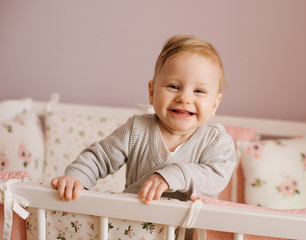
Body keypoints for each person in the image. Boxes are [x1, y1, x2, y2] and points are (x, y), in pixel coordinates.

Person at [51, 35, 236, 206]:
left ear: (214, 104)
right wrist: (76, 178)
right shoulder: (137, 129)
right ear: (152, 92)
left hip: (185, 231)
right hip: (132, 227)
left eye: (199, 91)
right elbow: (100, 157)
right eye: (174, 86)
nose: (185, 98)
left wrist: (175, 175)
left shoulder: (216, 141)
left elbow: (216, 177)